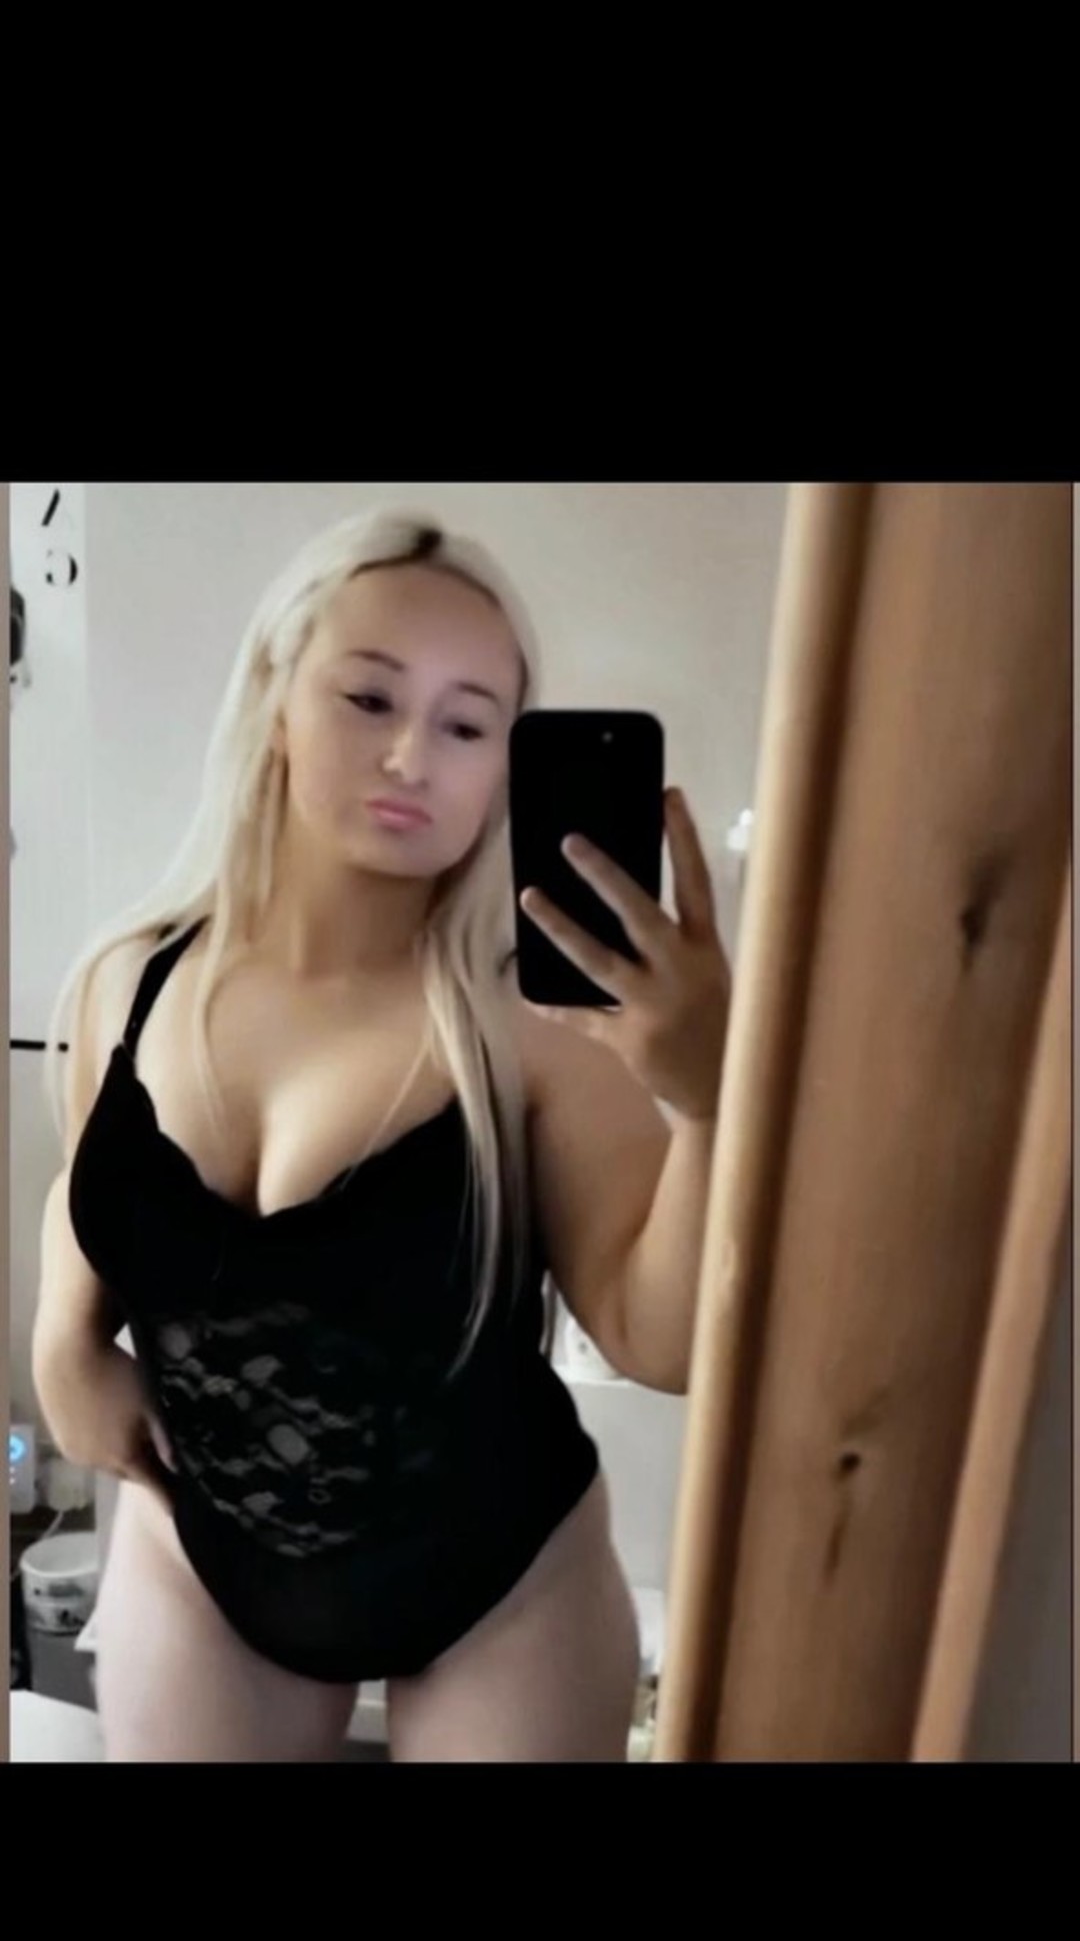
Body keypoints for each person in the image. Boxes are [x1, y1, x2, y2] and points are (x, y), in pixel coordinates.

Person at [31, 508, 730, 1761]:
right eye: (368, 697)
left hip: (502, 1585)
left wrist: (711, 1100)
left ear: (505, 762)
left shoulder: (539, 1027)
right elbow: (101, 1182)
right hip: (205, 1554)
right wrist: (62, 1339)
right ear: (275, 697)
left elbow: (656, 1337)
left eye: (467, 724)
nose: (412, 755)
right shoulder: (125, 982)